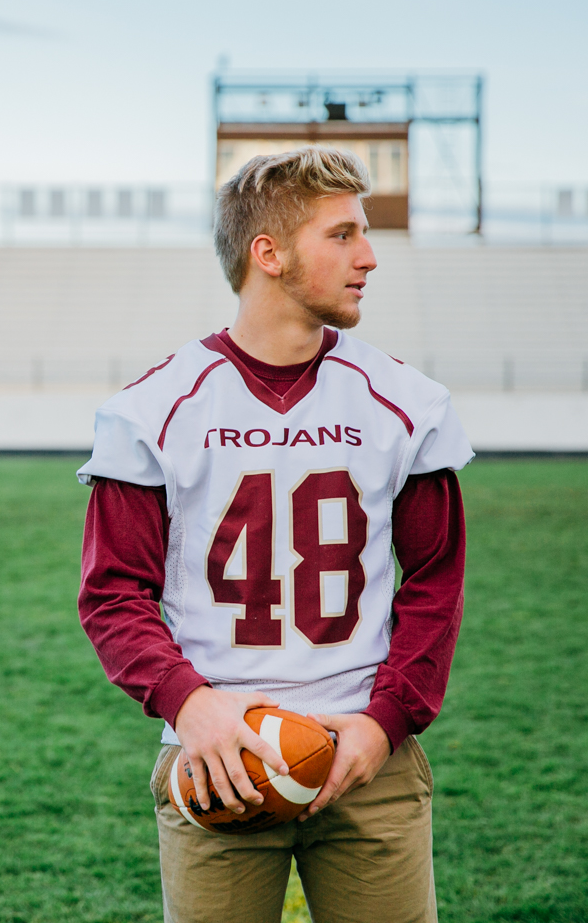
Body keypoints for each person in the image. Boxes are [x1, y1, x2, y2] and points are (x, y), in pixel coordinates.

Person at [77, 146, 472, 923]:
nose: (369, 257)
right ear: (270, 254)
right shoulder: (153, 408)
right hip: (214, 753)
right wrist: (190, 705)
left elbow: (435, 582)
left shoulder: (405, 401)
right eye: (343, 234)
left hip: (370, 750)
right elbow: (113, 595)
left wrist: (383, 721)